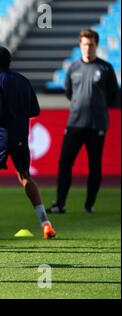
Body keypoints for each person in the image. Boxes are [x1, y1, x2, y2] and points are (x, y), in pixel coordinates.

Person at [0, 47, 56, 240]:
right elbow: (35, 110)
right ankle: (45, 223)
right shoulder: (23, 80)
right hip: (22, 137)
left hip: (0, 137)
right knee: (25, 177)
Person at [47, 29, 119, 214]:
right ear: (80, 45)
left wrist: (99, 107)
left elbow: (113, 95)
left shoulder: (105, 68)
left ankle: (89, 205)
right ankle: (60, 203)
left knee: (94, 165)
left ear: (96, 45)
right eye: (85, 44)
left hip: (97, 125)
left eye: (91, 44)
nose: (88, 48)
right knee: (65, 162)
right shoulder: (73, 68)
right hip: (75, 123)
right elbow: (69, 93)